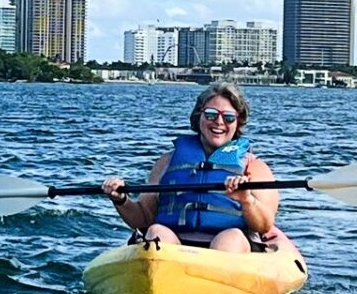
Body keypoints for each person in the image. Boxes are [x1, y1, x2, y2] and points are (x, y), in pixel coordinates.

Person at [100, 82, 279, 252]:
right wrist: (120, 199)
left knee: (230, 239)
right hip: (175, 244)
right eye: (210, 114)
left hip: (229, 246)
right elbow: (143, 218)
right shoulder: (166, 162)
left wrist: (247, 200)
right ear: (198, 116)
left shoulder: (253, 167)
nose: (219, 122)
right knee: (156, 232)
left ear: (237, 122)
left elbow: (264, 225)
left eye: (229, 117)